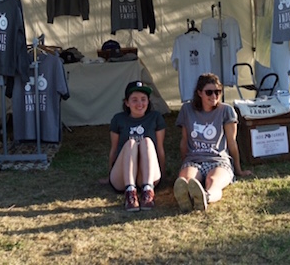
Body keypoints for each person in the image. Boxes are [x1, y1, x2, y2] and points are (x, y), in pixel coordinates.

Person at [173, 73, 252, 212]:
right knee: (186, 180)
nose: (214, 96)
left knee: (213, 181)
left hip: (218, 160)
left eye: (218, 92)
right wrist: (184, 163)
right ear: (199, 93)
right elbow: (184, 141)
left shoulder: (226, 110)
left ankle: (206, 197)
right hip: (194, 159)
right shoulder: (187, 110)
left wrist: (238, 169)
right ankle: (187, 197)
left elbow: (232, 142)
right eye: (209, 92)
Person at [108, 80, 166, 211]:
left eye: (143, 99)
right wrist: (109, 174)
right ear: (127, 103)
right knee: (131, 143)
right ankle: (130, 192)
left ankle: (147, 191)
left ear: (148, 101)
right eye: (134, 100)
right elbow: (114, 149)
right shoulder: (118, 119)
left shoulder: (155, 117)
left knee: (147, 142)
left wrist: (163, 174)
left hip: (146, 173)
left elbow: (160, 149)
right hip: (124, 174)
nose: (140, 104)